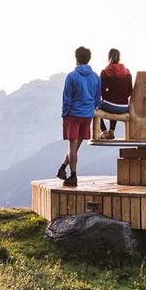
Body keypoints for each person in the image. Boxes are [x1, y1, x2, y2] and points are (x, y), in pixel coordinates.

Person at [57, 45, 100, 187]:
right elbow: (97, 99)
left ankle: (73, 176)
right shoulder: (96, 77)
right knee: (74, 148)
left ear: (76, 59)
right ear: (89, 59)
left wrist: (64, 114)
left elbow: (66, 99)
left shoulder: (71, 77)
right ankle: (62, 168)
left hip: (73, 115)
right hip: (87, 116)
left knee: (72, 146)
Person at [96, 48, 133, 138]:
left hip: (110, 104)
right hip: (124, 107)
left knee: (93, 106)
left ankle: (104, 132)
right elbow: (130, 91)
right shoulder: (127, 72)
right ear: (119, 58)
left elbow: (102, 91)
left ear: (109, 57)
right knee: (115, 102)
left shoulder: (105, 72)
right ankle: (111, 131)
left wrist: (105, 98)